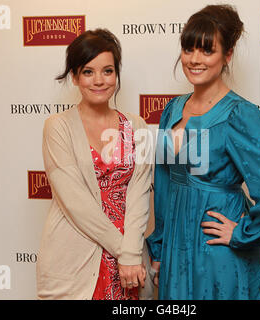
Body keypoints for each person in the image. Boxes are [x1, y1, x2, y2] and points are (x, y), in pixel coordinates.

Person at [146, 5, 260, 299]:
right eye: (188, 49)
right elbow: (166, 185)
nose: (194, 60)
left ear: (227, 55)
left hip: (217, 251)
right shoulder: (172, 109)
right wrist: (160, 247)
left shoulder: (240, 115)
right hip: (176, 248)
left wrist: (242, 232)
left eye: (207, 51)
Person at [36, 28, 153, 300]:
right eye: (88, 72)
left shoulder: (138, 126)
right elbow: (76, 203)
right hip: (76, 256)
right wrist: (125, 252)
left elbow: (139, 192)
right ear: (74, 77)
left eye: (108, 71)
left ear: (117, 74)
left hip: (130, 257)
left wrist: (132, 253)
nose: (99, 80)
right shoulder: (58, 127)